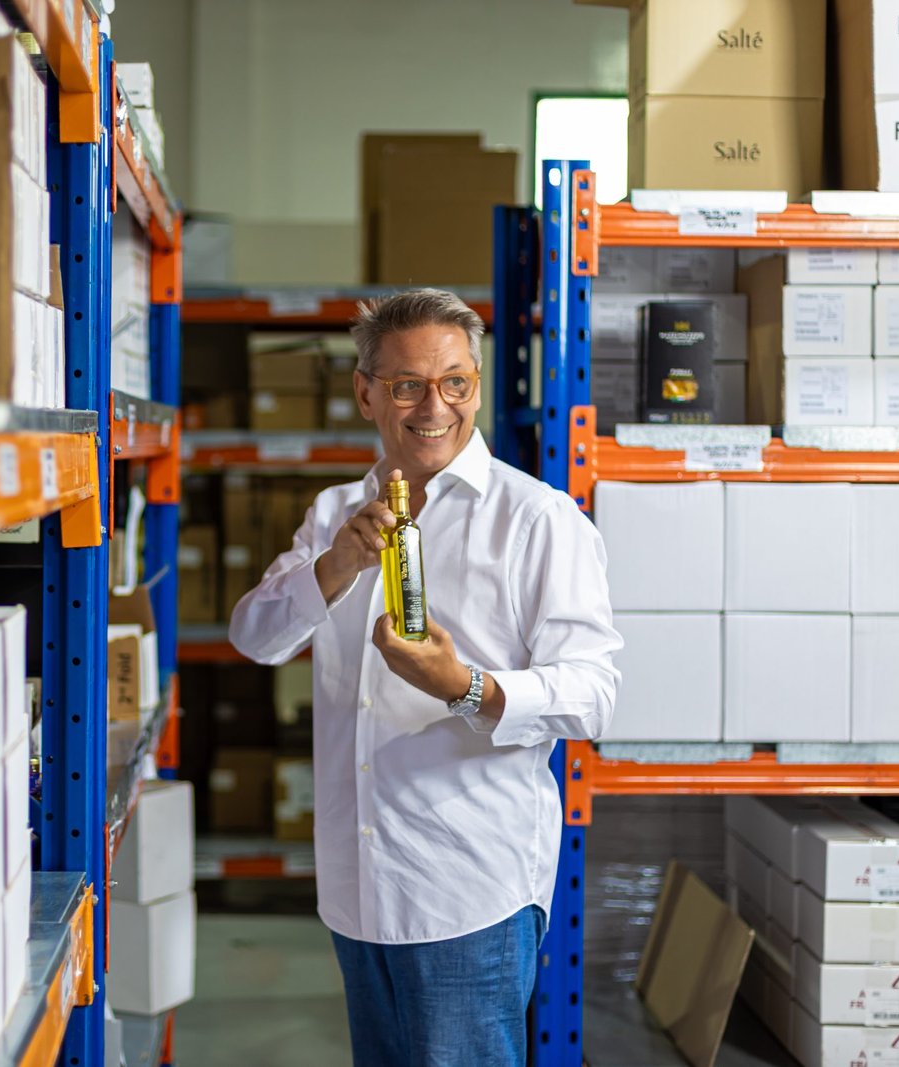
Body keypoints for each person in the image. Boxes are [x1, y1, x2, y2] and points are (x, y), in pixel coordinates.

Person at [228, 288, 622, 1066]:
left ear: (475, 383)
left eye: (456, 383)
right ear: (366, 392)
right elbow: (256, 635)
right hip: (357, 882)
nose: (433, 406)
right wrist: (338, 560)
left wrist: (464, 684)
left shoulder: (535, 520)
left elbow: (594, 693)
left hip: (466, 889)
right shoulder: (336, 511)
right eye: (407, 384)